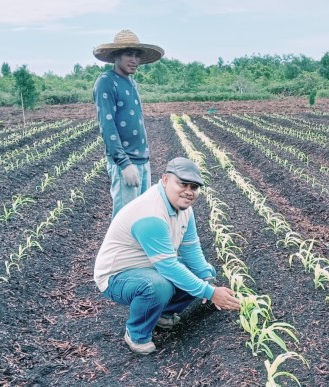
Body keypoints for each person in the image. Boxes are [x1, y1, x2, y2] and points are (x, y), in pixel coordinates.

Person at [94, 157, 241, 354]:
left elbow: (191, 249)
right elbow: (168, 266)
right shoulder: (151, 214)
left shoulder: (185, 210)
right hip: (117, 277)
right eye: (182, 183)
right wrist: (210, 293)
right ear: (164, 180)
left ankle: (163, 313)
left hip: (150, 267)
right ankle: (137, 334)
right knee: (157, 286)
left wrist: (207, 280)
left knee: (202, 272)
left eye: (194, 187)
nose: (189, 191)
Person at [93, 30, 164, 218]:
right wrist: (124, 164)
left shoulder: (132, 83)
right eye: (128, 54)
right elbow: (107, 126)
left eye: (137, 55)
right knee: (125, 221)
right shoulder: (106, 82)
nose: (134, 60)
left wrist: (145, 159)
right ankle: (117, 250)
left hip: (142, 160)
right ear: (115, 56)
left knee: (142, 218)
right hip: (126, 162)